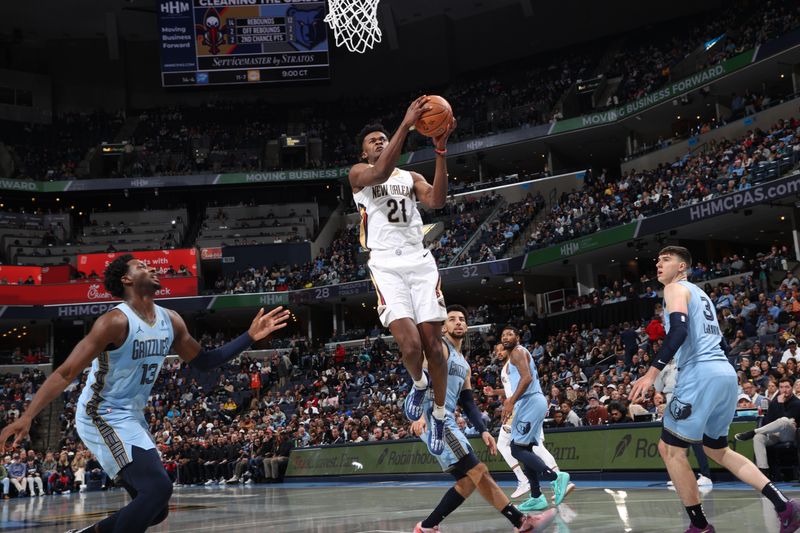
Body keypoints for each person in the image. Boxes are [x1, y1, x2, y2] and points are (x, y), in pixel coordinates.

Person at [0, 254, 290, 533]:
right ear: (127, 279)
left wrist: (249, 337)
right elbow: (66, 372)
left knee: (156, 506)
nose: (152, 268)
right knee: (158, 489)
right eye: (142, 266)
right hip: (100, 413)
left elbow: (205, 361)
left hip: (131, 416)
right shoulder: (114, 322)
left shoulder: (171, 320)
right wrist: (27, 416)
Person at [629, 246, 800, 533]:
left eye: (666, 259)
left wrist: (651, 372)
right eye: (657, 260)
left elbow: (679, 332)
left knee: (670, 450)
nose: (658, 264)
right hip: (724, 373)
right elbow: (720, 343)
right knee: (716, 448)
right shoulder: (702, 295)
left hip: (701, 374)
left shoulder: (674, 289)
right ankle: (784, 505)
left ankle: (699, 526)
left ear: (682, 267)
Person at [349, 98, 456, 455]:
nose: (380, 141)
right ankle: (419, 383)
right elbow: (380, 172)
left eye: (383, 138)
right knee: (410, 346)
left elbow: (437, 201)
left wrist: (440, 151)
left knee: (435, 349)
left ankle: (439, 416)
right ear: (364, 153)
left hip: (419, 259)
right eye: (373, 141)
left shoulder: (411, 177)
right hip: (386, 264)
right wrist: (406, 123)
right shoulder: (359, 176)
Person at [410, 305, 554, 532]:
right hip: (435, 420)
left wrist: (484, 430)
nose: (458, 322)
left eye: (462, 319)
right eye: (452, 319)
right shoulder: (439, 350)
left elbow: (467, 402)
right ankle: (520, 521)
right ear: (444, 326)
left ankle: (427, 527)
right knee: (479, 471)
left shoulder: (464, 365)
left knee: (468, 481)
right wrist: (418, 415)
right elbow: (419, 379)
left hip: (447, 419)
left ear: (466, 326)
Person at [483, 343, 575, 508]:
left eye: (501, 349)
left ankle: (552, 478)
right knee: (531, 448)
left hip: (523, 407)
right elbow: (512, 388)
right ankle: (537, 493)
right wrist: (495, 393)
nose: (499, 353)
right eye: (496, 351)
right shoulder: (512, 364)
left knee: (515, 447)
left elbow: (522, 385)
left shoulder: (513, 361)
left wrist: (510, 405)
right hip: (530, 404)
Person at [735, 377, 800, 477]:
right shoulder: (774, 402)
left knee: (785, 420)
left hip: (790, 434)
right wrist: (778, 404)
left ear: (792, 388)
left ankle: (753, 432)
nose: (784, 390)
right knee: (758, 438)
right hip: (774, 434)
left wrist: (781, 404)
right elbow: (768, 420)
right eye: (781, 387)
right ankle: (763, 472)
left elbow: (784, 419)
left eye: (787, 387)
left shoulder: (797, 403)